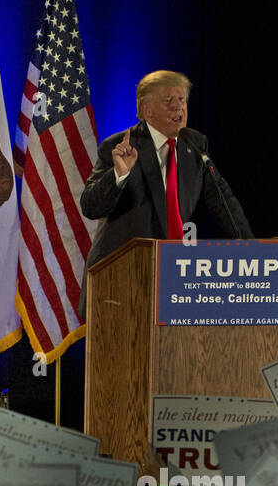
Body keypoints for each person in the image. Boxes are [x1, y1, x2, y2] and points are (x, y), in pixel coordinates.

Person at [78, 70, 253, 316]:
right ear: (147, 110)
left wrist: (252, 251)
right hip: (118, 284)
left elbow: (224, 202)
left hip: (172, 283)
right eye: (168, 100)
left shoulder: (194, 146)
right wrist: (119, 175)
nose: (177, 107)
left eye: (182, 99)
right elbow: (90, 206)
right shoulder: (119, 147)